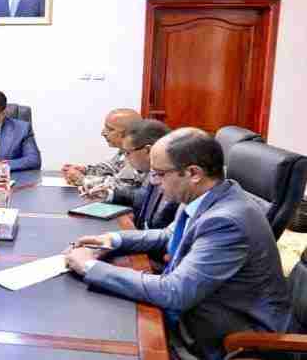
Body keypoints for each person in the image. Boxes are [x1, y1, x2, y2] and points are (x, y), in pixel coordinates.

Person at [65, 128, 292, 359]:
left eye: (159, 174)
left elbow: (174, 292)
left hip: (224, 339)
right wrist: (113, 239)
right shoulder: (206, 193)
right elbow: (168, 235)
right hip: (196, 310)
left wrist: (89, 267)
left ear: (193, 173)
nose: (154, 182)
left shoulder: (227, 221)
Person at [83, 119, 177, 231]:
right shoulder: (153, 172)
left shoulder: (175, 182)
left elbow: (162, 233)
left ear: (148, 150)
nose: (126, 158)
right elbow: (143, 196)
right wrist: (109, 194)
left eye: (128, 152)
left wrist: (131, 232)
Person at [62, 108, 142, 187]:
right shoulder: (125, 150)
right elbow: (112, 168)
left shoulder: (138, 155)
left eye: (110, 129)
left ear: (129, 133)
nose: (103, 133)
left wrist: (82, 180)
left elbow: (124, 186)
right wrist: (85, 170)